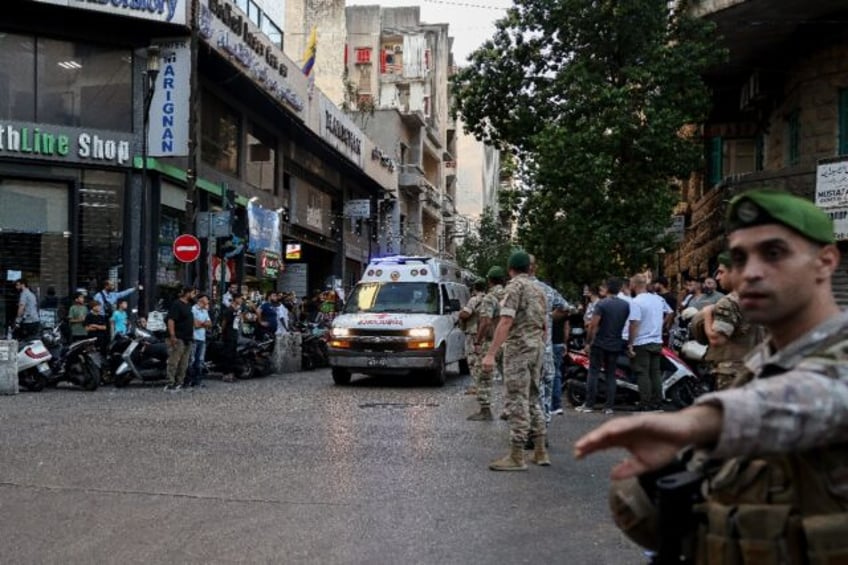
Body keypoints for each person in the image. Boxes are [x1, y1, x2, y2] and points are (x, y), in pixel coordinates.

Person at [574, 189, 848, 562]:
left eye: (773, 253)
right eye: (739, 258)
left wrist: (695, 423)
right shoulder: (762, 362)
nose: (748, 272)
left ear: (825, 261)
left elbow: (815, 395)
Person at [481, 251, 548, 471]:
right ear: (530, 268)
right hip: (537, 348)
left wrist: (491, 353)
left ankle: (517, 455)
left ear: (510, 269)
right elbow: (545, 327)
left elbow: (506, 320)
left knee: (516, 400)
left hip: (519, 350)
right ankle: (540, 451)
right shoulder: (539, 289)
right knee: (533, 398)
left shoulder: (514, 287)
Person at [696, 251, 763, 391]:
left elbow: (717, 339)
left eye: (721, 272)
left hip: (733, 375)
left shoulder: (728, 302)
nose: (718, 277)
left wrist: (707, 314)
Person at [529, 254, 569, 436]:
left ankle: (532, 432)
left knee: (528, 392)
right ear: (534, 268)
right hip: (545, 349)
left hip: (525, 351)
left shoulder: (515, 289)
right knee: (544, 389)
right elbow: (565, 307)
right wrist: (550, 318)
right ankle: (542, 431)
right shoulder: (547, 290)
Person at [579, 277, 631, 414]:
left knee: (593, 372)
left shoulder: (601, 305)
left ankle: (589, 404)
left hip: (600, 343)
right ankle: (609, 406)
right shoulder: (625, 305)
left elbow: (593, 326)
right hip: (616, 343)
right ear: (619, 289)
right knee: (611, 374)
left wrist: (588, 342)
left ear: (607, 288)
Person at [627, 274, 673, 411]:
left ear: (634, 285)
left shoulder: (635, 302)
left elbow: (634, 324)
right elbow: (670, 312)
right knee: (655, 373)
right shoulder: (658, 299)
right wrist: (663, 326)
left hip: (641, 341)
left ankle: (645, 402)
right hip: (656, 340)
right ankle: (658, 401)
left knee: (643, 373)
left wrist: (630, 343)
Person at [475, 266, 507, 415]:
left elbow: (486, 321)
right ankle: (509, 410)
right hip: (510, 341)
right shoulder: (510, 294)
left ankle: (485, 409)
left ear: (489, 281)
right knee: (508, 376)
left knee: (483, 375)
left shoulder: (490, 297)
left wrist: (478, 340)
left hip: (492, 341)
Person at [460, 278, 486, 401]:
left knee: (472, 359)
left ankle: (476, 386)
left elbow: (466, 314)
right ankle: (482, 384)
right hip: (484, 332)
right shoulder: (488, 298)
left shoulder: (474, 300)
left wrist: (460, 314)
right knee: (481, 359)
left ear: (474, 288)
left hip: (473, 332)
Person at [164, 286, 194, 393]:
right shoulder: (177, 304)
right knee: (174, 361)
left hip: (187, 338)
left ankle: (179, 382)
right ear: (187, 293)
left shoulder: (189, 305)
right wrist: (172, 335)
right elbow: (171, 320)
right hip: (178, 337)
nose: (194, 295)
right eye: (193, 293)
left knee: (184, 363)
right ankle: (170, 383)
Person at [187, 293, 212, 388]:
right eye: (206, 298)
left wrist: (202, 324)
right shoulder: (193, 309)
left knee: (200, 360)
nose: (208, 300)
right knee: (192, 360)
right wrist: (204, 324)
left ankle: (198, 381)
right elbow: (195, 325)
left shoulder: (205, 311)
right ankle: (190, 380)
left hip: (202, 338)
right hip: (194, 338)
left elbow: (210, 324)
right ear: (200, 299)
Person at [220, 293, 244, 383]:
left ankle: (231, 373)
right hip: (228, 334)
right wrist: (223, 333)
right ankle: (226, 373)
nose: (241, 301)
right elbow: (224, 322)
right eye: (240, 299)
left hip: (234, 333)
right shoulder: (229, 310)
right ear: (236, 299)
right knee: (228, 354)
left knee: (233, 354)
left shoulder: (238, 310)